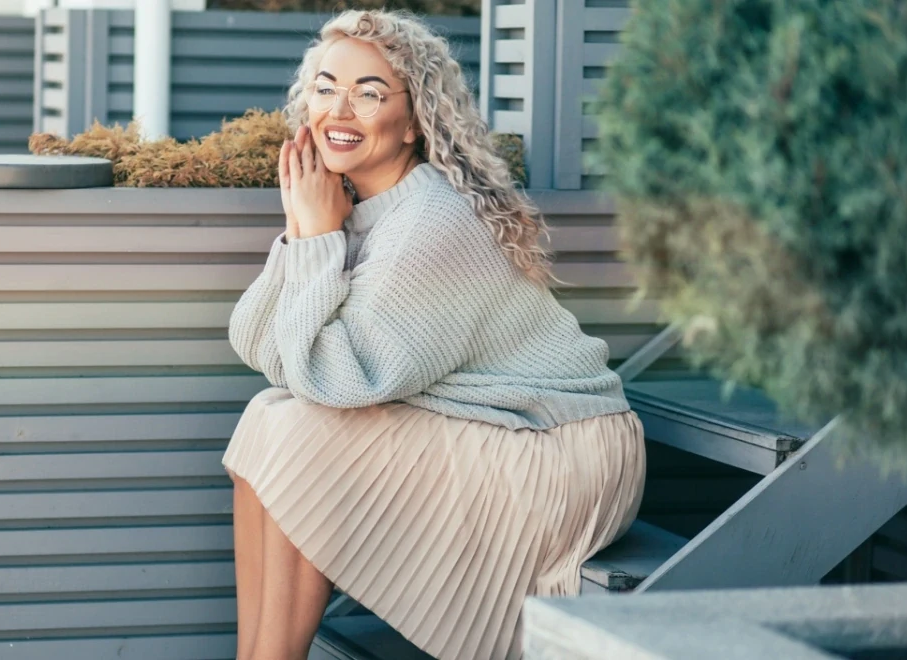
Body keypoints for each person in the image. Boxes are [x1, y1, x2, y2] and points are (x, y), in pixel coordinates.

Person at [221, 9, 648, 660]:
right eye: (326, 87)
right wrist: (305, 232)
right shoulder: (357, 208)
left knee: (295, 431)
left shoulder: (432, 223)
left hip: (561, 451)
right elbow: (257, 340)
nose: (341, 109)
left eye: (369, 94)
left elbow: (338, 376)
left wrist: (316, 238)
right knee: (268, 416)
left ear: (415, 119)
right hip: (492, 426)